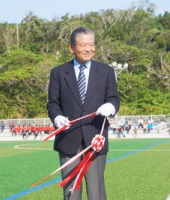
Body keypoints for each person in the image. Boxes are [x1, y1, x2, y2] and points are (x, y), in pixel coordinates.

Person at [47, 27, 120, 200]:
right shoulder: (58, 72)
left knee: (96, 192)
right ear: (71, 47)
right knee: (71, 192)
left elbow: (114, 99)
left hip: (95, 140)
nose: (88, 49)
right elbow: (53, 103)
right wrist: (57, 118)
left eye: (91, 44)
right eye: (83, 45)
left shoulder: (106, 71)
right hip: (68, 140)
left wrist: (110, 107)